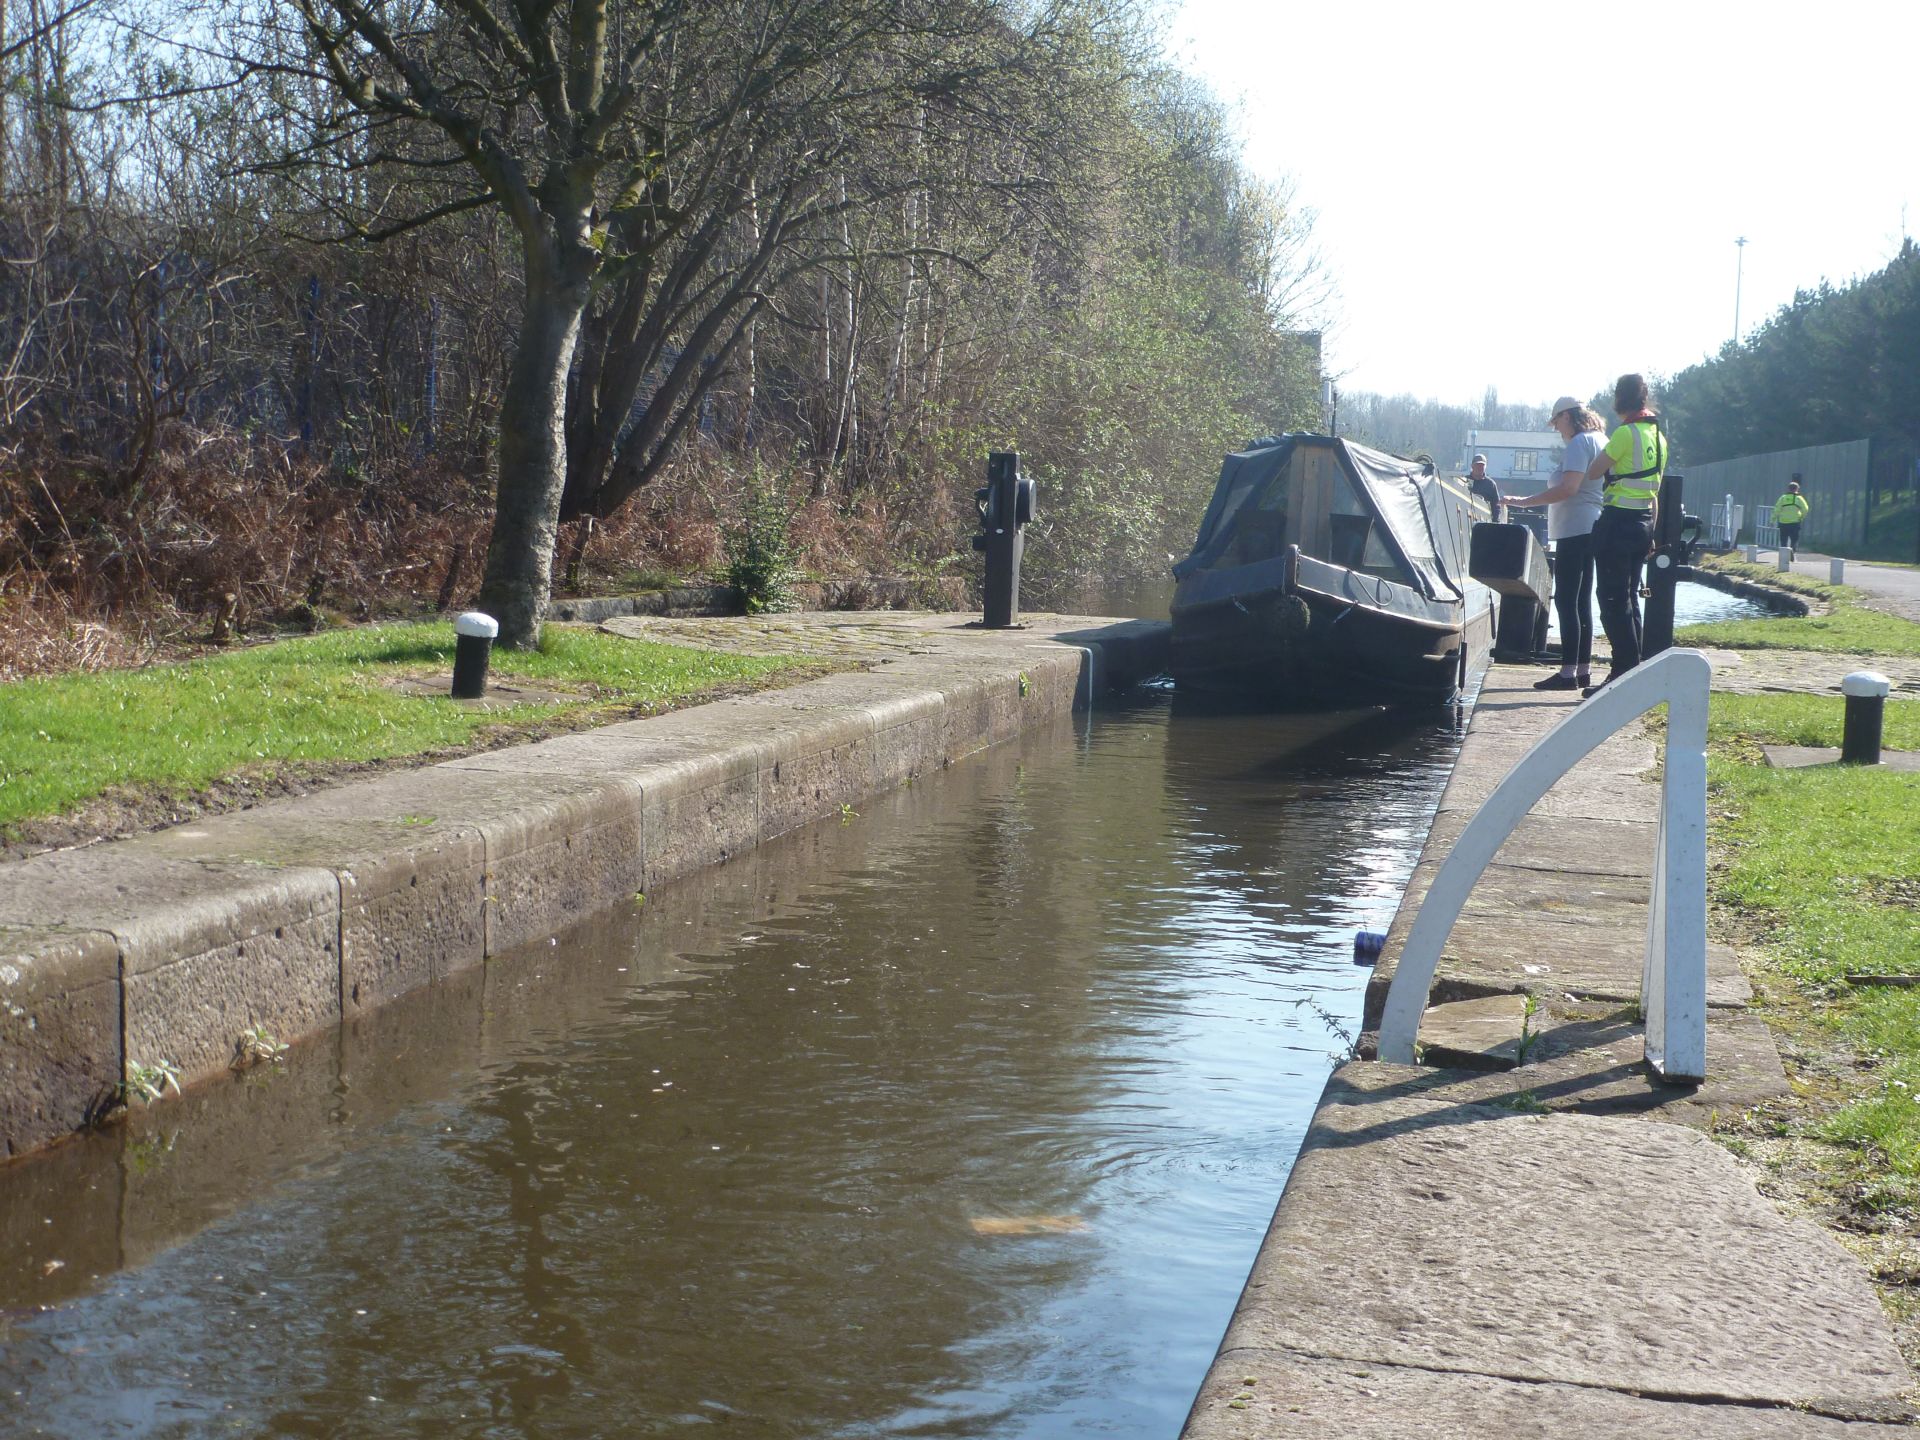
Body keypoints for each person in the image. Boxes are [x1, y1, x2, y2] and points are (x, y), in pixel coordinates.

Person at [1509, 396, 1608, 689]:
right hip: (1592, 525)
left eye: (1556, 422)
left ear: (1567, 416)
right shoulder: (1601, 438)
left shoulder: (1579, 443)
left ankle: (1567, 673)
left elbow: (1568, 488)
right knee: (1581, 601)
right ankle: (1582, 670)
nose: (1556, 429)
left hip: (1575, 528)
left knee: (1566, 599)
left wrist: (1526, 503)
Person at [1580, 373, 1664, 696]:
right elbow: (1653, 490)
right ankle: (1635, 670)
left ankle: (1622, 671)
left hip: (1618, 524)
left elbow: (1594, 471)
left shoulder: (1625, 435)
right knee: (1631, 597)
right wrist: (1651, 533)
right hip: (1644, 523)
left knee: (1612, 600)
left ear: (1620, 401)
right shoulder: (1659, 438)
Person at [1774, 477, 1810, 553]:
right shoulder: (1799, 498)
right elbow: (1806, 508)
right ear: (1797, 489)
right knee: (1794, 539)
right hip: (1795, 522)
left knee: (1783, 539)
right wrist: (1801, 517)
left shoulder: (1783, 498)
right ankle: (1792, 550)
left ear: (1788, 489)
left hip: (1783, 522)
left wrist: (1772, 519)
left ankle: (1783, 554)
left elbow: (1777, 509)